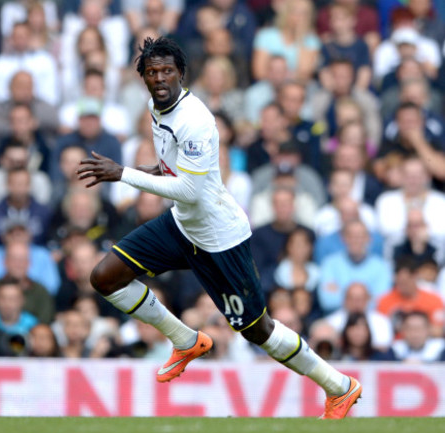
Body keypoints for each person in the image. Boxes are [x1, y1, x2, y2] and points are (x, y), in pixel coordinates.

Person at [77, 37, 361, 418]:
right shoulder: (155, 106)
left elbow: (191, 190)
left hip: (219, 236)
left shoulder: (195, 119)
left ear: (181, 74)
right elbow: (171, 170)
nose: (159, 78)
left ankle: (338, 387)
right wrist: (134, 172)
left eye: (167, 71)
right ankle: (185, 340)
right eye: (151, 72)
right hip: (183, 224)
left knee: (257, 331)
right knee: (105, 277)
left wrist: (124, 174)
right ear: (143, 77)